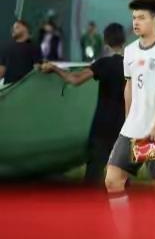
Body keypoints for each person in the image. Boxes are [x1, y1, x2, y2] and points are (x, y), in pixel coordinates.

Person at [105, 0, 155, 221]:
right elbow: (129, 87)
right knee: (112, 180)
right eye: (134, 18)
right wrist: (128, 120)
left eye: (142, 18)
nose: (136, 22)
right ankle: (123, 232)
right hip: (133, 129)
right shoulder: (129, 52)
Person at [41, 23, 127, 184]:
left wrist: (54, 68)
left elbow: (75, 79)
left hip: (103, 127)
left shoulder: (103, 64)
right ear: (124, 40)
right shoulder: (133, 65)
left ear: (105, 41)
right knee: (121, 178)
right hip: (126, 127)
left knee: (93, 176)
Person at [0, 20, 42, 84]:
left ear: (25, 28)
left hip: (30, 86)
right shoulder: (6, 49)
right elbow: (1, 72)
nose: (13, 30)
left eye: (17, 27)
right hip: (11, 88)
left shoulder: (34, 47)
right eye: (12, 29)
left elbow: (37, 69)